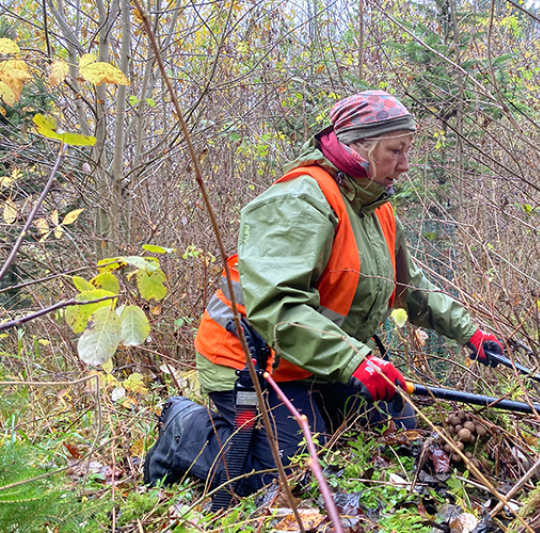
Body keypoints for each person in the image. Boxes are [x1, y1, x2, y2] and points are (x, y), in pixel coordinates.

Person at [143, 90, 503, 497]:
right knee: (286, 475)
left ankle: (317, 415)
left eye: (407, 151)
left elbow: (410, 287)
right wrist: (356, 361)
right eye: (395, 151)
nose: (404, 165)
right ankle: (183, 428)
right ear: (359, 147)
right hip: (254, 364)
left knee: (398, 429)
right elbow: (278, 307)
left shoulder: (377, 208)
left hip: (320, 360)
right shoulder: (300, 200)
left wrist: (469, 332)